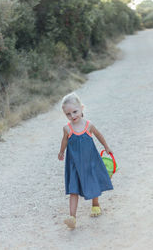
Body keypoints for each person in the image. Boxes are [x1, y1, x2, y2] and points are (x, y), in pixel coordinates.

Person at [58, 93, 113, 229]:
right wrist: (61, 151)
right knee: (73, 189)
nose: (73, 116)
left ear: (82, 108)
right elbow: (64, 140)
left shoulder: (88, 125)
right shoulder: (67, 129)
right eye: (68, 114)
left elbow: (99, 135)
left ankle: (95, 205)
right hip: (74, 164)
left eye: (75, 111)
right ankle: (72, 217)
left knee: (93, 181)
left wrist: (106, 147)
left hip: (90, 161)